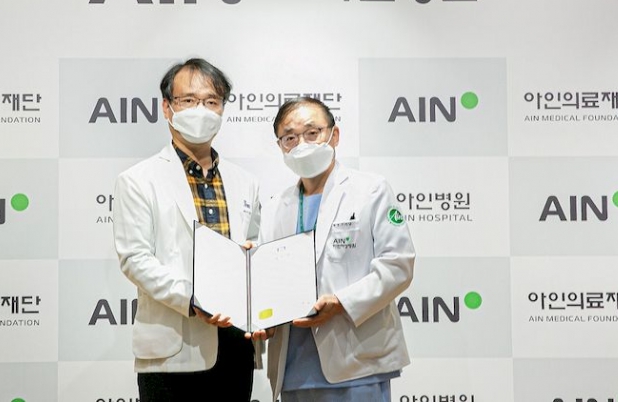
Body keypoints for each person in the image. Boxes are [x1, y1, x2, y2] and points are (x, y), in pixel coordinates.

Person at [113, 58, 261, 402]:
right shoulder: (138, 180)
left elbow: (254, 249)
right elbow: (135, 259)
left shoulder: (245, 182)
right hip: (172, 350)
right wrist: (194, 300)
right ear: (167, 107)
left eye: (211, 101)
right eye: (189, 100)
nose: (201, 110)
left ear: (222, 109)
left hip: (235, 345)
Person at [253, 96, 416, 402]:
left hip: (357, 361)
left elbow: (398, 264)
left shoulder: (370, 190)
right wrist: (261, 318)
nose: (301, 144)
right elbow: (269, 282)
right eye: (290, 137)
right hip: (293, 368)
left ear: (334, 135)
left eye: (312, 133)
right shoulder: (275, 208)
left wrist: (341, 302)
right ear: (281, 147)